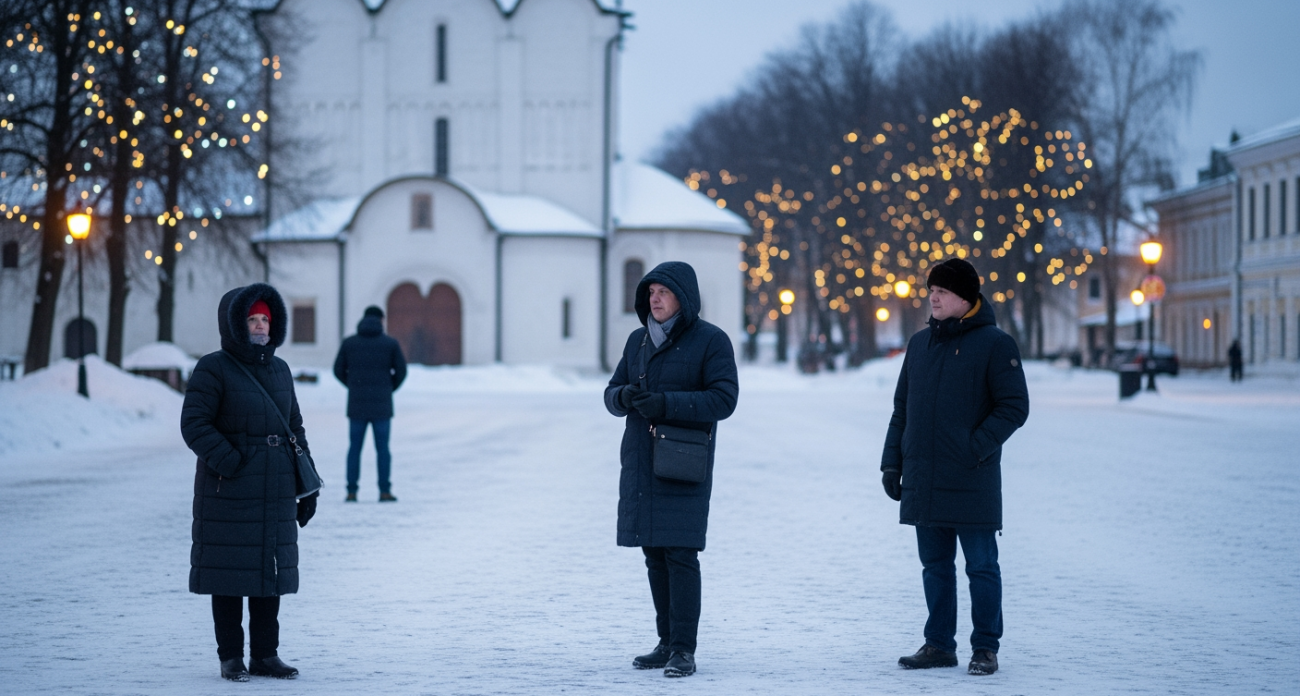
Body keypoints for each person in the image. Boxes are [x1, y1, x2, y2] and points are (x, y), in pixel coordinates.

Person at [880, 258, 1029, 677]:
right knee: (935, 566)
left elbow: (1015, 406)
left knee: (981, 566)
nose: (933, 297)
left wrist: (974, 447)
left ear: (966, 298)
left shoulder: (996, 345)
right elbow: (901, 410)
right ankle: (939, 645)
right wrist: (891, 463)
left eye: (942, 291)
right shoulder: (919, 344)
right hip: (925, 478)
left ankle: (985, 648)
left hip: (971, 477)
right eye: (931, 290)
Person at [604, 261, 739, 678]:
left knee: (680, 553)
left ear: (684, 296)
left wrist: (666, 404)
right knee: (654, 555)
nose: (655, 299)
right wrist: (625, 396)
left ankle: (684, 648)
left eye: (663, 292)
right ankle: (665, 643)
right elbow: (610, 395)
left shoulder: (711, 340)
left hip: (683, 461)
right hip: (643, 461)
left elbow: (723, 400)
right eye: (650, 292)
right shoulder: (637, 341)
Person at [181, 283, 318, 681]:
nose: (259, 327)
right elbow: (194, 424)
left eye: (265, 320)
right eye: (252, 319)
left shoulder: (280, 369)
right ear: (235, 324)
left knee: (268, 573)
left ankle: (265, 655)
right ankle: (230, 657)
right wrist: (233, 461)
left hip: (274, 485)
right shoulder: (213, 367)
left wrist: (306, 485)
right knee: (229, 574)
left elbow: (294, 427)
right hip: (229, 487)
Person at [333, 305, 407, 502]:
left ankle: (351, 491)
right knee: (383, 450)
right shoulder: (390, 344)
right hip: (382, 407)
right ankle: (384, 491)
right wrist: (388, 388)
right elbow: (401, 371)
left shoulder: (350, 343)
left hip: (356, 406)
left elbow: (337, 370)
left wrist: (352, 386)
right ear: (381, 320)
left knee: (354, 448)